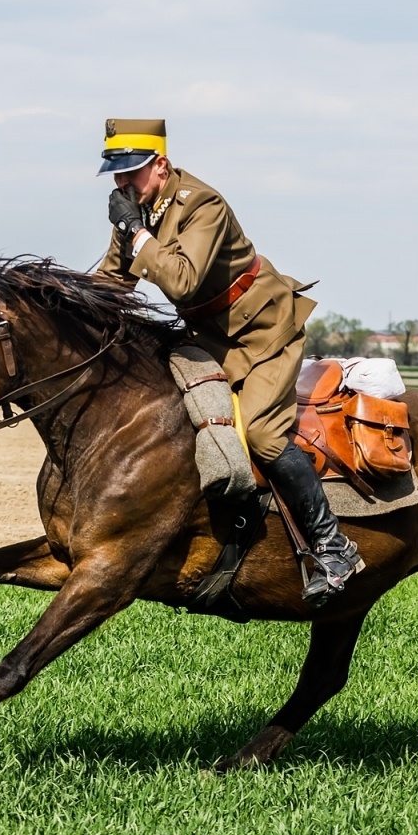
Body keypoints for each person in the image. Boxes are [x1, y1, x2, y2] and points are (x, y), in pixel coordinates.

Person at [95, 118, 363, 604]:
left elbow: (181, 281)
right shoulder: (138, 214)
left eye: (129, 173)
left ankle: (334, 545)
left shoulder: (202, 205)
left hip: (263, 333)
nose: (120, 184)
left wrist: (134, 233)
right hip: (209, 336)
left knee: (261, 434)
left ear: (160, 166)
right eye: (115, 175)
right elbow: (111, 285)